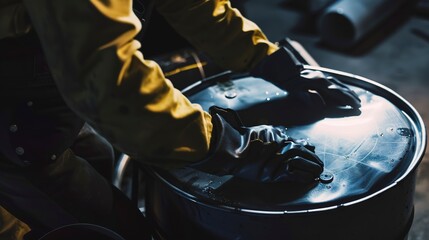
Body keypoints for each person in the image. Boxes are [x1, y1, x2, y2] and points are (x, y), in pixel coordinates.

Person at [0, 0, 361, 239]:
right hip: (14, 131)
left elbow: (194, 4)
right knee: (120, 230)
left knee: (101, 162)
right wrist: (240, 148)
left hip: (54, 104)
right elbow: (111, 85)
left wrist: (269, 60)